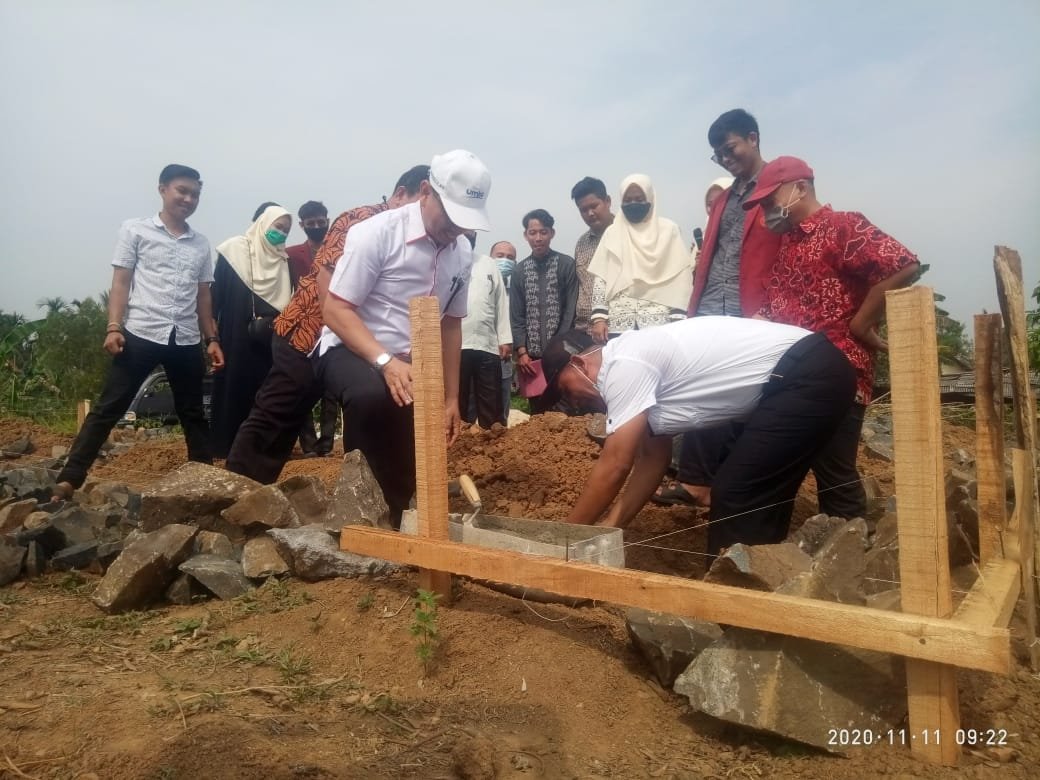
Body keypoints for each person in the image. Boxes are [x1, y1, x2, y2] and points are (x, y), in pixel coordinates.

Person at [544, 317, 855, 557]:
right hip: (809, 372)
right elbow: (653, 459)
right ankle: (758, 584)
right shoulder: (633, 363)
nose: (572, 403)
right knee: (757, 494)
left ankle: (735, 603)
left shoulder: (624, 364)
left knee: (739, 492)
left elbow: (616, 465)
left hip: (806, 375)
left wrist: (564, 541)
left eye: (564, 389)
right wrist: (610, 528)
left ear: (579, 362)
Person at [317, 150, 492, 527]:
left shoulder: (461, 251)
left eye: (465, 221)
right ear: (426, 192)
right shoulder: (377, 233)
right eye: (451, 216)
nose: (456, 229)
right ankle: (359, 514)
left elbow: (450, 325)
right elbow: (336, 310)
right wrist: (385, 362)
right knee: (372, 397)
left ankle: (397, 518)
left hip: (413, 359)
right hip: (354, 347)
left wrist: (450, 398)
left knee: (418, 426)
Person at [225, 165, 430, 483]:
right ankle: (238, 488)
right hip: (308, 334)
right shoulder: (360, 220)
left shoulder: (416, 237)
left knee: (371, 405)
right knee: (277, 415)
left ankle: (373, 494)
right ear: (402, 194)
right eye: (422, 202)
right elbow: (327, 287)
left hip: (356, 343)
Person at [743, 156, 921, 518]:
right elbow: (777, 306)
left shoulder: (843, 227)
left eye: (770, 199)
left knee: (834, 470)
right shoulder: (788, 244)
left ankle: (851, 542)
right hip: (794, 374)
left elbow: (903, 265)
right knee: (786, 461)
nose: (766, 210)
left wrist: (862, 323)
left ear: (800, 188)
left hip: (839, 369)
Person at [52, 164, 223, 500]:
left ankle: (203, 482)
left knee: (192, 413)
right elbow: (121, 282)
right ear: (163, 189)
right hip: (142, 332)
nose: (188, 199)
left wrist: (212, 339)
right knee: (109, 407)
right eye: (182, 191)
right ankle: (70, 479)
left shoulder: (201, 244)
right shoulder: (135, 230)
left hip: (185, 337)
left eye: (195, 194)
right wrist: (113, 327)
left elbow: (203, 296)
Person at [658, 109, 782, 509]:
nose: (726, 159)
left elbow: (789, 252)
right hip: (713, 305)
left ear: (753, 138)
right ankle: (696, 482)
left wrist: (774, 306)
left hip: (754, 309)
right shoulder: (725, 199)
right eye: (719, 155)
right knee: (704, 388)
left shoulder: (780, 188)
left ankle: (739, 487)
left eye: (730, 149)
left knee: (749, 394)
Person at [209, 206, 293, 458]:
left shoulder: (283, 261)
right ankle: (226, 448)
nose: (281, 233)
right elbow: (215, 299)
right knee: (234, 391)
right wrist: (211, 339)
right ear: (263, 224)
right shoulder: (234, 250)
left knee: (267, 394)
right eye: (277, 227)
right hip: (235, 338)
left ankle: (262, 449)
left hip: (271, 341)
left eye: (286, 230)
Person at [587, 174, 692, 341]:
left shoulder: (668, 230)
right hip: (619, 321)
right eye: (627, 200)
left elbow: (680, 279)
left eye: (639, 199)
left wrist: (678, 319)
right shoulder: (612, 233)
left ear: (650, 198)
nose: (633, 204)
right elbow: (601, 278)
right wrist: (599, 318)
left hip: (660, 322)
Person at [509, 209, 578, 413]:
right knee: (538, 412)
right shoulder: (519, 271)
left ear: (551, 233)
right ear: (526, 235)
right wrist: (522, 351)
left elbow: (570, 310)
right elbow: (516, 315)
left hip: (562, 356)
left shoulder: (566, 264)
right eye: (533, 233)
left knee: (565, 410)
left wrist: (559, 348)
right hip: (532, 360)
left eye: (543, 232)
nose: (538, 238)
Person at [286, 200, 339, 457]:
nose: (316, 226)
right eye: (311, 223)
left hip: (333, 325)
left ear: (327, 221)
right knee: (301, 385)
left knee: (331, 388)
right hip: (302, 328)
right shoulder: (291, 255)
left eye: (320, 222)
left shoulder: (339, 251)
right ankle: (308, 444)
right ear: (302, 225)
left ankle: (326, 444)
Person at [460, 245, 512, 428]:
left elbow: (500, 301)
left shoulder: (488, 263)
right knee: (458, 398)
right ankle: (459, 439)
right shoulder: (445, 261)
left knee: (491, 399)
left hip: (487, 343)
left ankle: (492, 439)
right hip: (456, 344)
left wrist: (504, 338)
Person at [571, 177, 615, 333]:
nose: (590, 213)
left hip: (616, 327)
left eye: (594, 206)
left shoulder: (626, 233)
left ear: (607, 201)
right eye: (583, 210)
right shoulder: (582, 243)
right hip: (583, 328)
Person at [490, 240, 518, 424]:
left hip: (504, 356)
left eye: (510, 257)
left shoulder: (516, 289)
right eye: (500, 256)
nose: (505, 261)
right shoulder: (476, 284)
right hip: (479, 352)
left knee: (501, 404)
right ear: (490, 258)